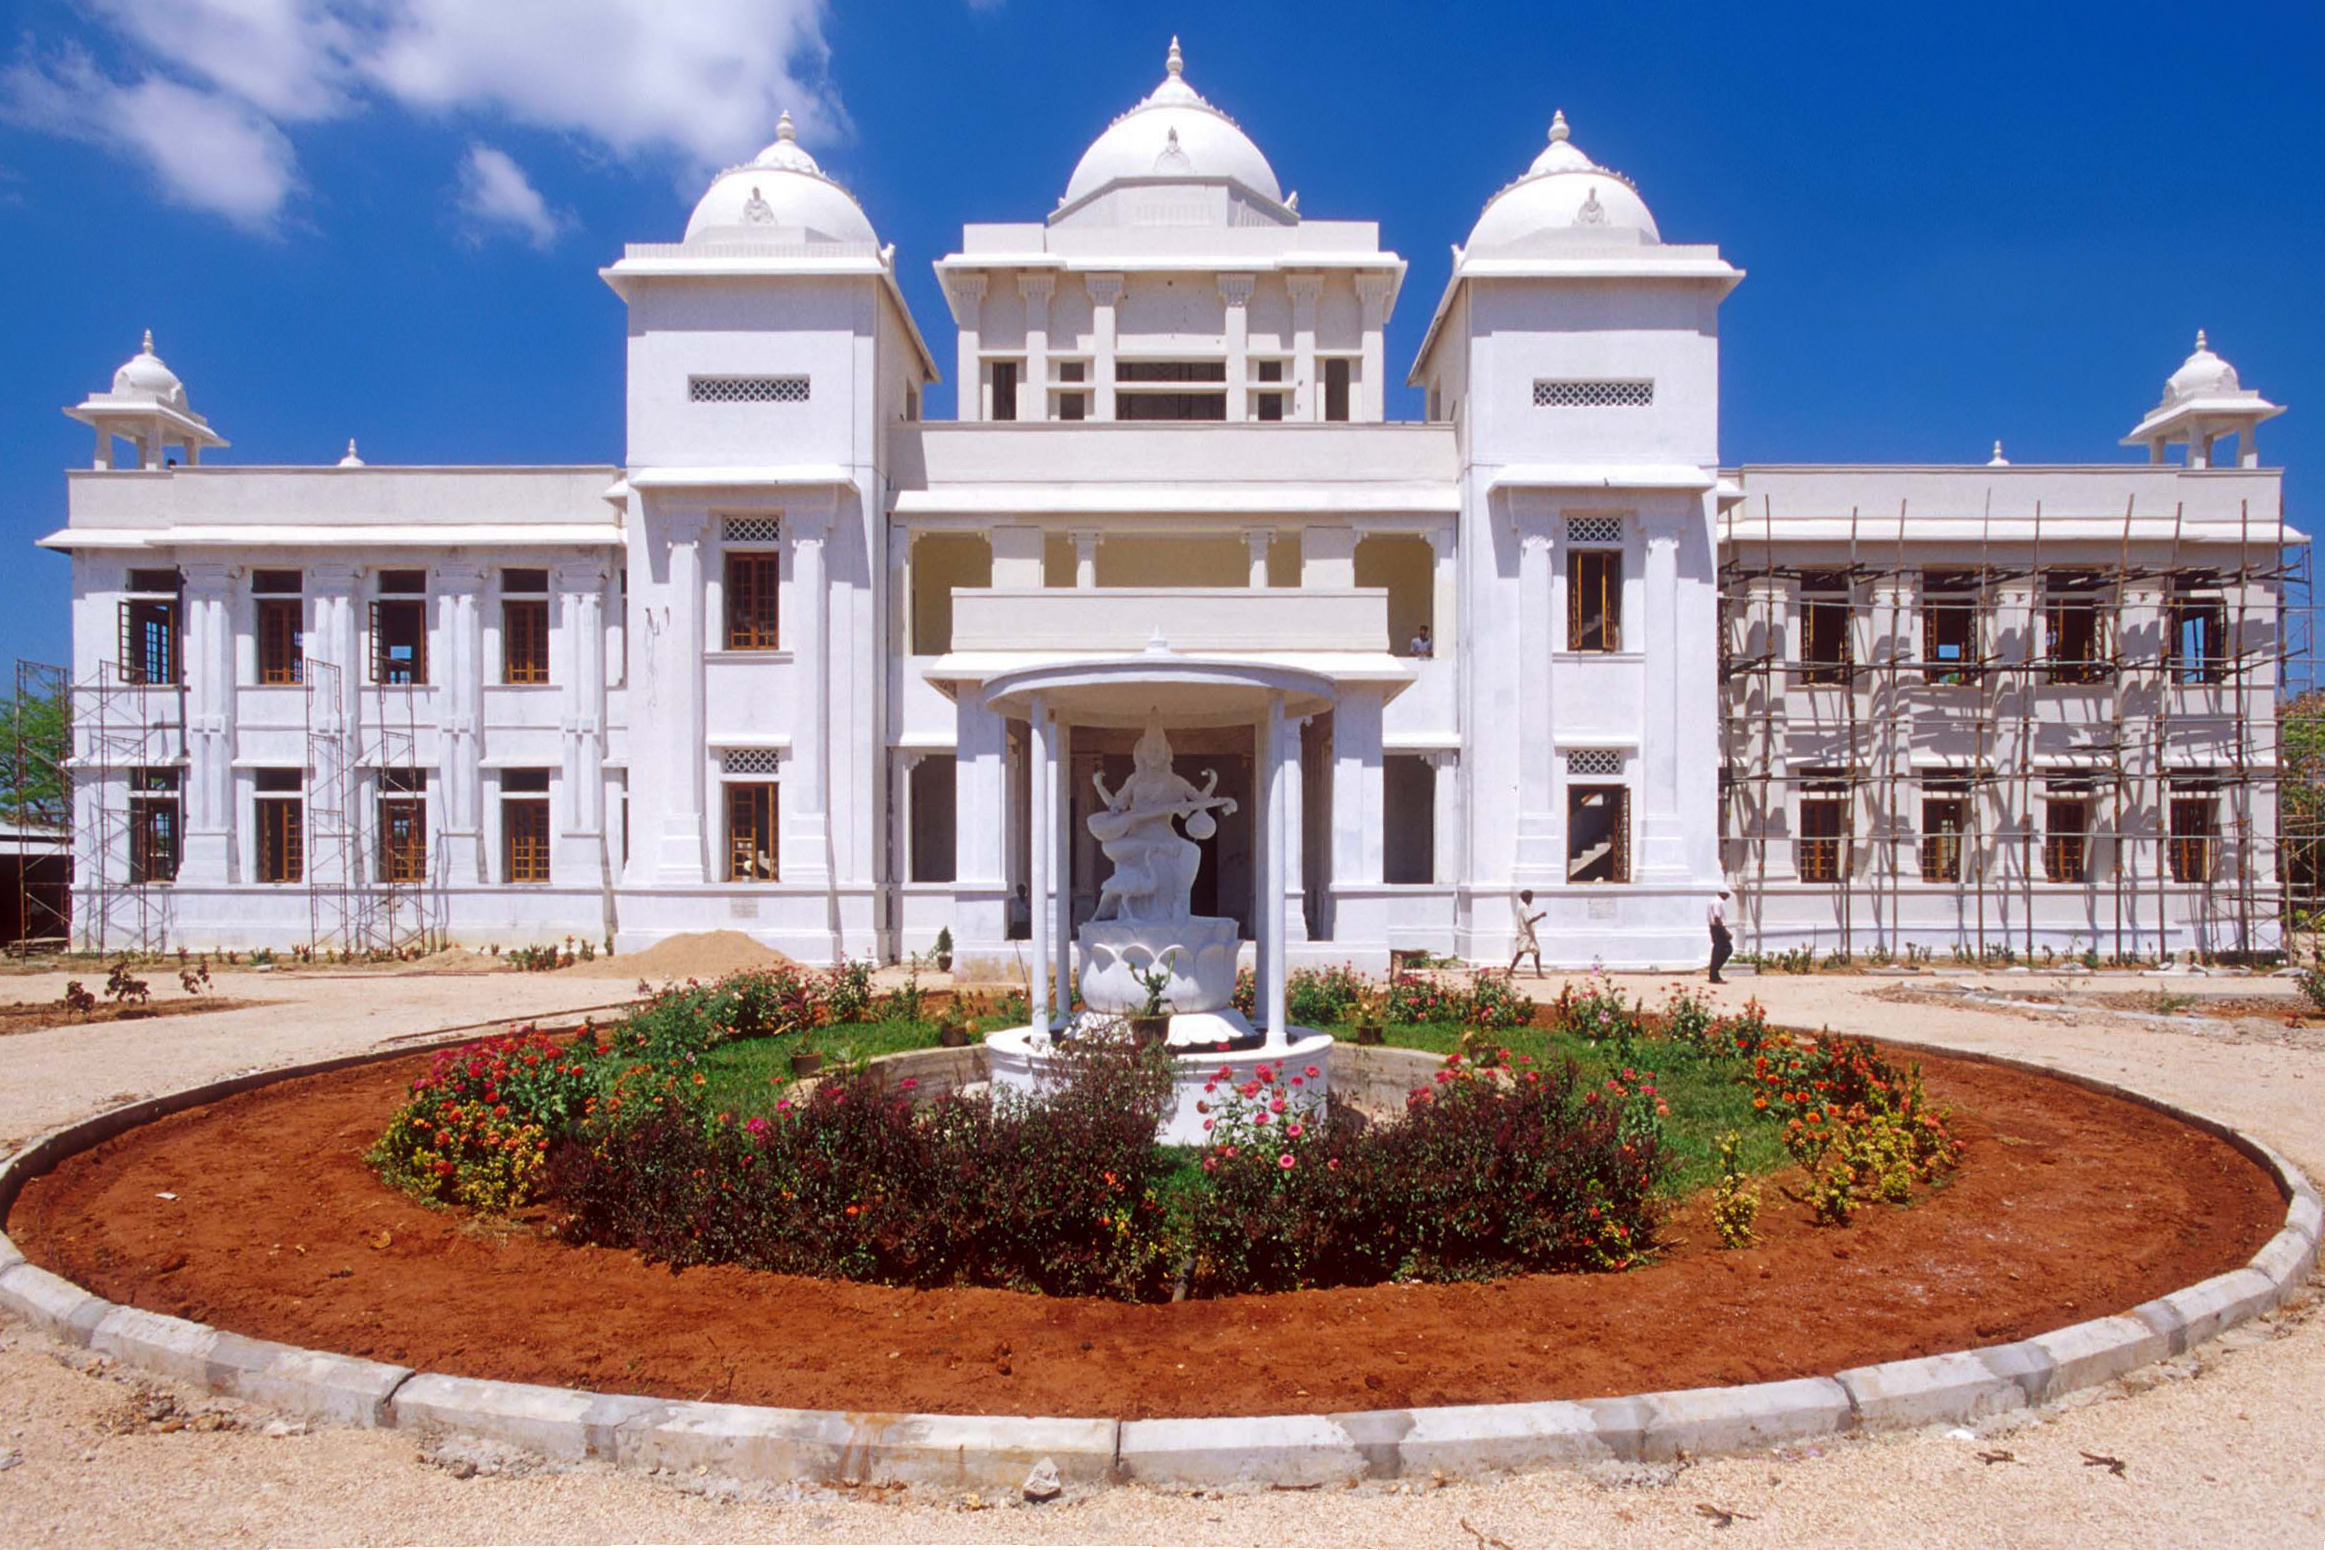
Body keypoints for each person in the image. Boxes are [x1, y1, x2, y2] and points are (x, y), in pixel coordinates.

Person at [1509, 888, 1545, 976]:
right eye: (1530, 897)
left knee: (1537, 952)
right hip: (1525, 935)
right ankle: (1509, 972)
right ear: (1527, 898)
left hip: (1529, 935)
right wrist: (1540, 916)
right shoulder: (1524, 907)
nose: (1531, 899)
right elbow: (1529, 921)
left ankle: (1539, 973)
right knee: (1520, 954)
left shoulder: (1525, 907)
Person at [1708, 888, 1733, 983]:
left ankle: (1714, 973)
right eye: (1727, 895)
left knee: (1717, 951)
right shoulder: (1718, 902)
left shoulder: (1713, 901)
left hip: (1714, 928)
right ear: (1722, 893)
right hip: (1718, 928)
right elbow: (1717, 918)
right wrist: (1725, 932)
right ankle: (1714, 972)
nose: (1727, 897)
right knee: (1727, 949)